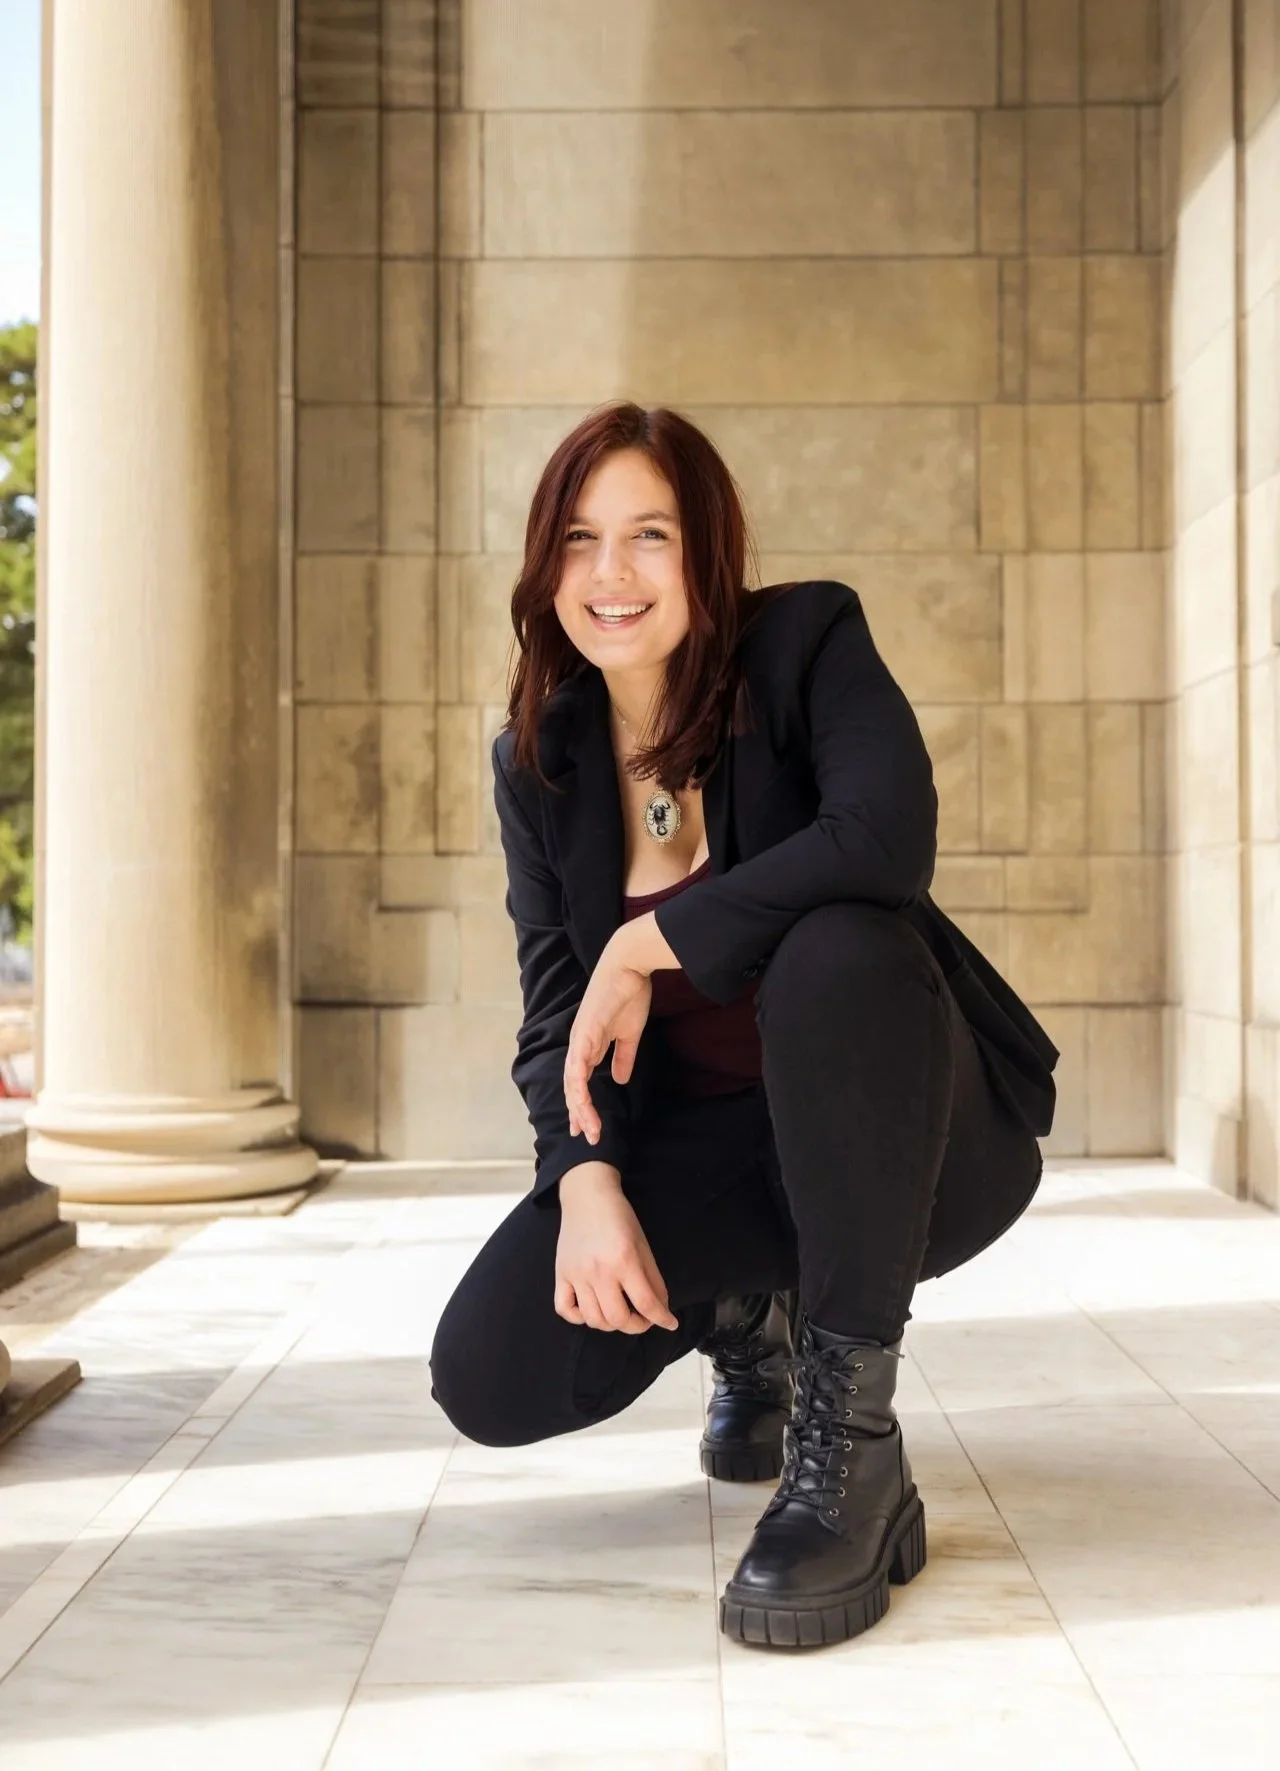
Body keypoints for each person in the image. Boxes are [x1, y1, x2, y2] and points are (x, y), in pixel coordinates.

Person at [429, 402, 1058, 1651]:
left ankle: (850, 1444)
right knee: (490, 1372)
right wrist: (587, 1176)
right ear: (543, 568)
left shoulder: (803, 642)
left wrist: (650, 936)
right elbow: (554, 1004)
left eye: (648, 535)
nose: (609, 575)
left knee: (834, 942)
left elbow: (881, 841)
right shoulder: (536, 760)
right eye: (577, 540)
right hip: (717, 1149)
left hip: (914, 1144)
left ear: (706, 551)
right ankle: (743, 1323)